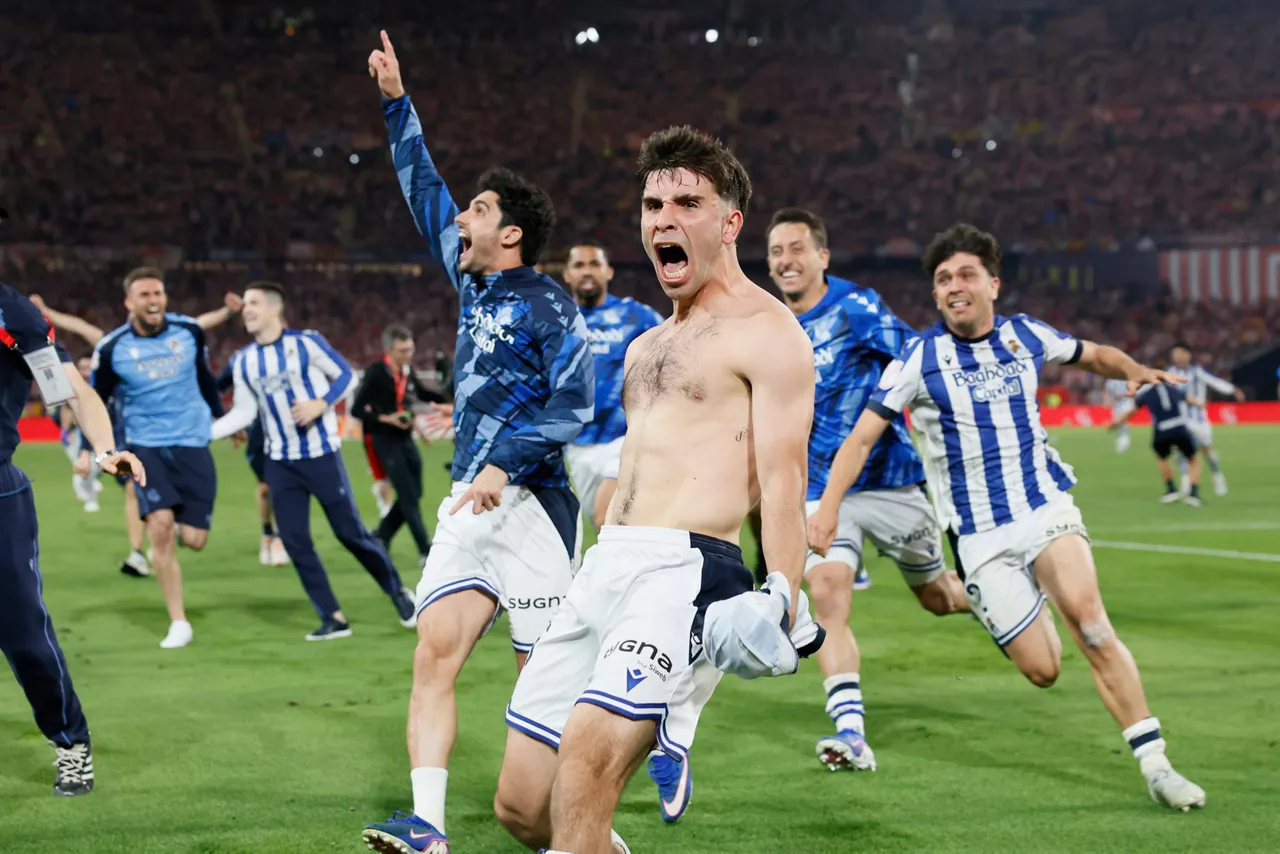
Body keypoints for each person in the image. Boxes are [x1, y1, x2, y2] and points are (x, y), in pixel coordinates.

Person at [491, 125, 816, 854]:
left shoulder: (770, 332)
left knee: (584, 769)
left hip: (686, 572)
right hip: (605, 566)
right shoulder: (645, 346)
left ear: (730, 222)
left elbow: (783, 481)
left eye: (687, 202)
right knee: (521, 808)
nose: (663, 219)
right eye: (651, 204)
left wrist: (784, 590)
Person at [822, 223, 1205, 811]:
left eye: (966, 274)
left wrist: (1130, 369)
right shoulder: (920, 358)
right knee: (1044, 669)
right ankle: (1027, 603)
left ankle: (1156, 766)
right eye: (943, 278)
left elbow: (1093, 353)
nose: (954, 285)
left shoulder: (1025, 334)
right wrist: (826, 510)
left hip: (1043, 505)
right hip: (978, 536)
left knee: (1093, 623)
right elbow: (861, 438)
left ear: (993, 284)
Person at [361, 31, 594, 854]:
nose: (465, 218)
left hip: (532, 508)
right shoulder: (470, 280)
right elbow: (425, 191)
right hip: (470, 502)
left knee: (541, 684)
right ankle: (427, 825)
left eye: (482, 211)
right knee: (435, 654)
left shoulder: (552, 305)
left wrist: (505, 461)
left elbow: (576, 405)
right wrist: (396, 101)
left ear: (515, 234)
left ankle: (573, 831)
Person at [766, 207, 970, 776]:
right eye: (777, 251)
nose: (785, 260)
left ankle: (999, 598)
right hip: (820, 489)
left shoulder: (854, 308)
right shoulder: (769, 326)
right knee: (827, 593)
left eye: (797, 248)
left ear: (822, 257)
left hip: (889, 482)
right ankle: (851, 733)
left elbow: (912, 358)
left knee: (938, 598)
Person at [1, 280, 145, 796]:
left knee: (24, 637)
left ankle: (70, 742)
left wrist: (105, 449)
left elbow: (69, 389)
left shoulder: (11, 313)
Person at [211, 282, 415, 639]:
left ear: (276, 308)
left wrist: (322, 403)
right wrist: (200, 434)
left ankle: (398, 592)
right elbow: (242, 412)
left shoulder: (304, 343)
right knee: (295, 540)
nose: (246, 309)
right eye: (245, 304)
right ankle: (333, 618)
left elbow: (346, 375)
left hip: (320, 455)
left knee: (350, 534)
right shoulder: (243, 360)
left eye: (254, 303)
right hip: (279, 462)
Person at [35, 291, 242, 578]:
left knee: (146, 498)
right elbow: (76, 327)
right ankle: (137, 552)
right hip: (122, 432)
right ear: (130, 305)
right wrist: (45, 311)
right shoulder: (111, 344)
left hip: (145, 433)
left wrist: (227, 311)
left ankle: (160, 536)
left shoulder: (174, 336)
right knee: (134, 489)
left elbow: (200, 323)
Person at [87, 267, 226, 649]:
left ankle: (165, 539)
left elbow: (204, 377)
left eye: (158, 293)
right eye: (144, 294)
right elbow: (94, 400)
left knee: (194, 539)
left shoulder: (189, 332)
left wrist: (222, 416)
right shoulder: (113, 347)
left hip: (193, 443)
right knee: (162, 525)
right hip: (145, 445)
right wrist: (94, 449)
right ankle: (178, 621)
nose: (153, 300)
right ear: (128, 302)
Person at [561, 241, 664, 531]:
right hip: (578, 444)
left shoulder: (636, 316)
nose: (587, 271)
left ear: (608, 272)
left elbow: (675, 351)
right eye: (579, 265)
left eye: (594, 264)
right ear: (567, 275)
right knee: (607, 527)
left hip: (626, 437)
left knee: (606, 516)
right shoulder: (557, 322)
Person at [353, 324, 447, 566]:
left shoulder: (407, 371)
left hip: (405, 437)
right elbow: (356, 409)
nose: (408, 355)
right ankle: (424, 550)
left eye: (410, 349)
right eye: (402, 351)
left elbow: (425, 395)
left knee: (415, 492)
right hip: (383, 438)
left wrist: (452, 398)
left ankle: (381, 536)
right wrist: (386, 418)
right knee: (407, 494)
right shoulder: (377, 372)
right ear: (388, 350)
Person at [215, 362, 288, 566]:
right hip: (258, 434)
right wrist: (228, 421)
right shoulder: (241, 359)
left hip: (289, 430)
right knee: (265, 487)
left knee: (285, 486)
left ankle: (282, 538)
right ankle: (267, 534)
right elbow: (215, 388)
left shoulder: (292, 349)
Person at [1167, 343, 1245, 496]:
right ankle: (1185, 483)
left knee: (1206, 451)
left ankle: (1217, 476)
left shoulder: (1197, 372)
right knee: (1181, 451)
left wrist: (1232, 390)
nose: (1177, 356)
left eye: (1180, 353)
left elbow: (1214, 382)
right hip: (1180, 419)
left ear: (1188, 354)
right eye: (1175, 354)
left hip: (1199, 420)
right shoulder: (1170, 373)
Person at [1108, 381, 1203, 506]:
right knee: (1193, 460)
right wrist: (1200, 403)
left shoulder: (1148, 393)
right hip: (1179, 426)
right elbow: (1190, 400)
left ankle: (1171, 489)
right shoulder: (1173, 388)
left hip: (1161, 429)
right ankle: (1194, 494)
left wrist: (1116, 422)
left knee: (1162, 458)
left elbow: (1132, 411)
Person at [1103, 377, 1135, 453]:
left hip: (1126, 402)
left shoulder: (1113, 379)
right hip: (1118, 404)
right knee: (1120, 423)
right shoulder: (1112, 380)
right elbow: (1107, 391)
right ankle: (1121, 439)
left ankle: (1124, 441)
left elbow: (1107, 392)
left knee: (1122, 422)